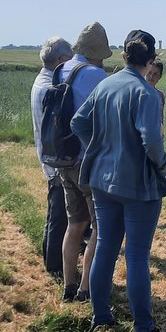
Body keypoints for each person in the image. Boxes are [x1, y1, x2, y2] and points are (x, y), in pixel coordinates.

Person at [71, 30, 166, 332]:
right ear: (151, 60)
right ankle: (143, 327)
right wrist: (161, 163)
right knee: (137, 256)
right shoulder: (146, 93)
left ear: (125, 55)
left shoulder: (105, 84)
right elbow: (151, 140)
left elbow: (78, 122)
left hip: (102, 180)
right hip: (138, 184)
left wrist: (99, 146)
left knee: (105, 247)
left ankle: (101, 316)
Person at [56, 22, 112, 302]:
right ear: (98, 53)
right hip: (87, 161)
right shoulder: (96, 75)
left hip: (63, 157)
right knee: (99, 229)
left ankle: (68, 285)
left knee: (74, 224)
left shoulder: (60, 69)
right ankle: (85, 289)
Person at [30, 35, 73, 281]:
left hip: (47, 155)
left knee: (54, 211)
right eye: (69, 60)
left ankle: (50, 256)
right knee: (59, 215)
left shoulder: (41, 81)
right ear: (60, 59)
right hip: (55, 159)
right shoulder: (50, 87)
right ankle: (55, 265)